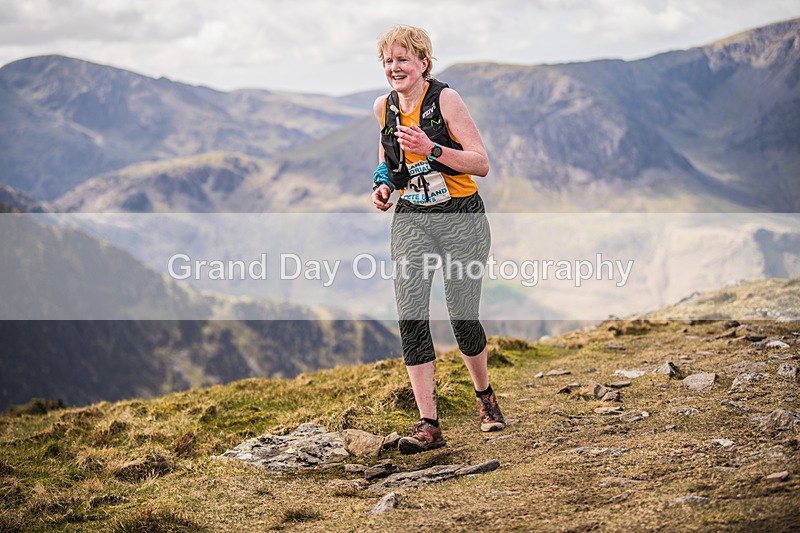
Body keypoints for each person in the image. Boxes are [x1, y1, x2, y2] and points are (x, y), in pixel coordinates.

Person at [370, 25, 505, 455]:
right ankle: (429, 424)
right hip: (413, 217)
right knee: (410, 315)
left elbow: (480, 163)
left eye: (403, 59)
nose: (395, 67)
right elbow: (389, 164)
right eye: (388, 61)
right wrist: (383, 187)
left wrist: (431, 148)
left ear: (423, 63)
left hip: (460, 216)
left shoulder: (446, 100)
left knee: (462, 315)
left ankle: (484, 395)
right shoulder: (384, 107)